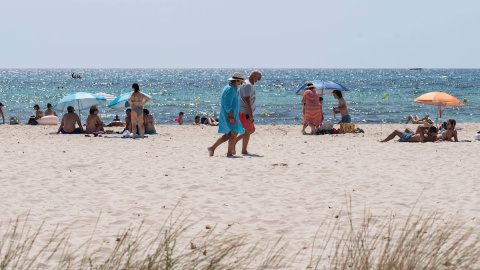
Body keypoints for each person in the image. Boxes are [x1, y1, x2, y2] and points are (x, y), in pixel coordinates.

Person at [208, 72, 245, 157]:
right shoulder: (231, 89)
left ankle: (212, 148)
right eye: (240, 82)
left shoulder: (230, 87)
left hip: (229, 114)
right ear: (236, 81)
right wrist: (231, 116)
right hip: (230, 115)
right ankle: (229, 153)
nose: (241, 83)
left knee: (227, 135)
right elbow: (227, 105)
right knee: (234, 133)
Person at [235, 70, 262, 154]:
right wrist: (250, 114)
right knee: (248, 130)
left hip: (243, 111)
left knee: (251, 130)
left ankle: (234, 142)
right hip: (245, 112)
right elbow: (247, 99)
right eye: (257, 79)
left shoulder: (246, 84)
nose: (257, 81)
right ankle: (243, 150)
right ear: (254, 76)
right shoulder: (248, 85)